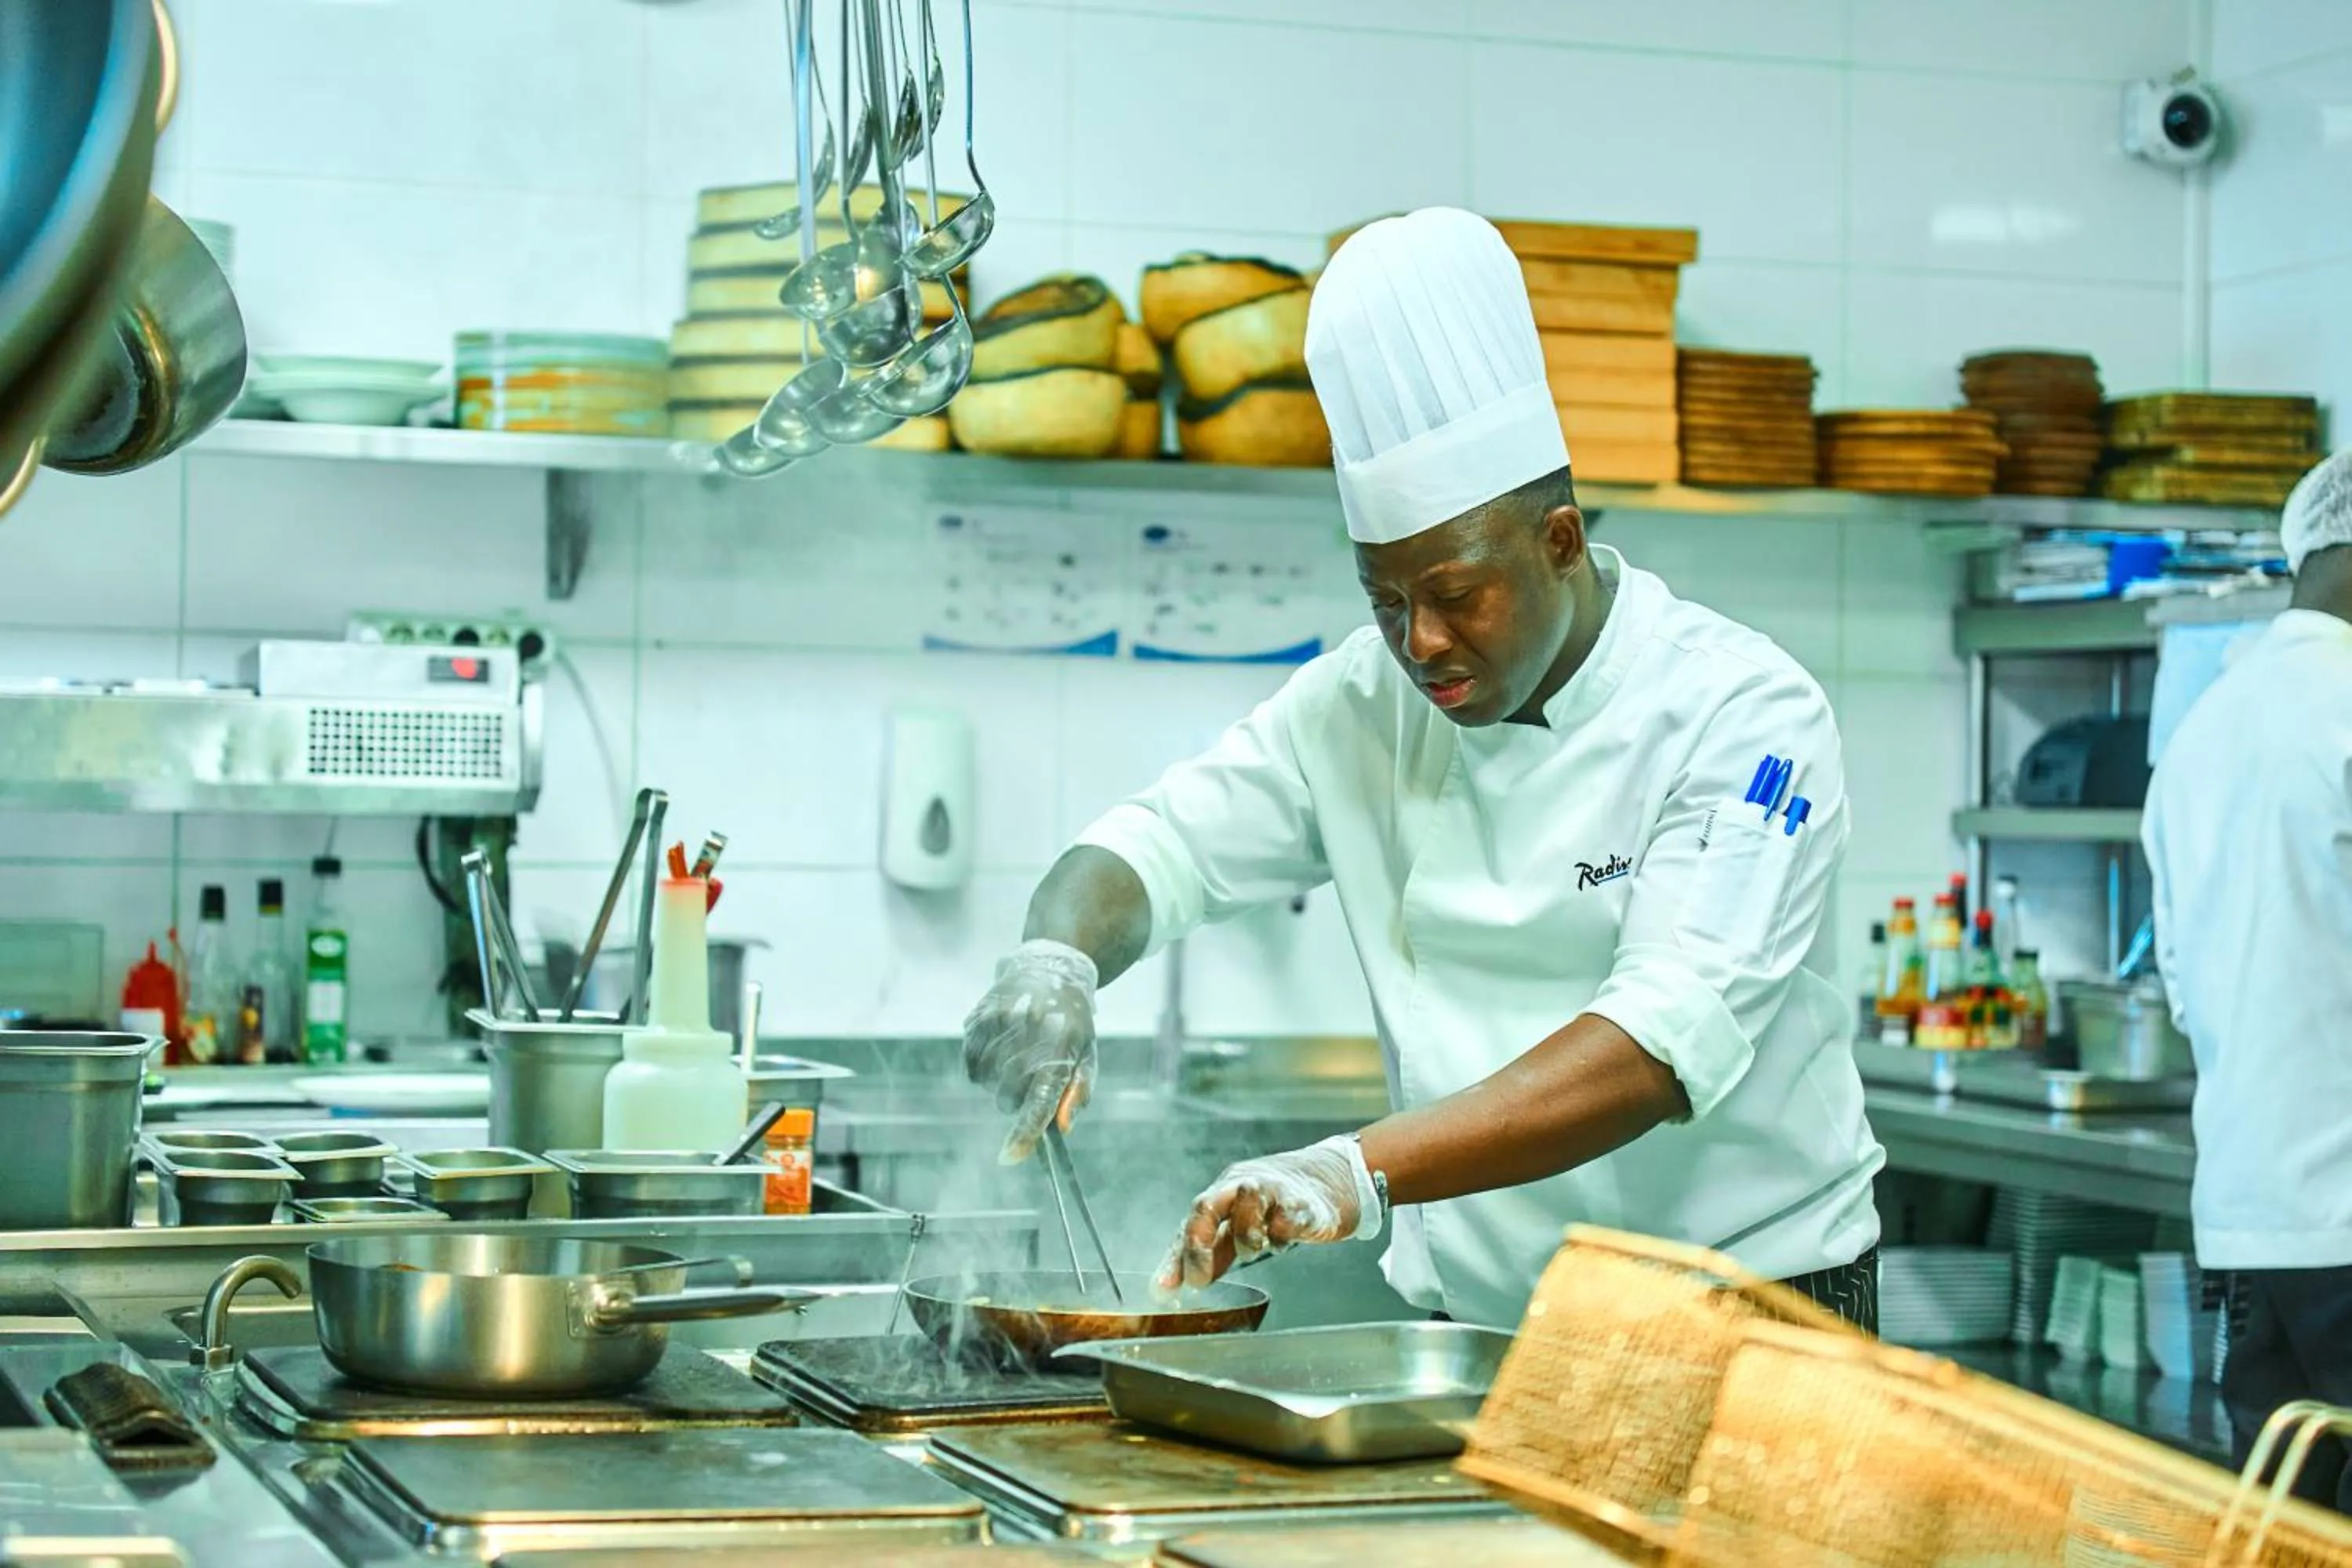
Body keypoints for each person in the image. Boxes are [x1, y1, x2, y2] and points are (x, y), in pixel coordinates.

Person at [961, 208, 1884, 1333]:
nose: (1421, 643)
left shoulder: (1744, 716)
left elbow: (1654, 1047)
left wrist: (1354, 1170)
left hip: (1745, 1313)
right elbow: (1151, 849)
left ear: (1560, 540)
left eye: (1454, 595)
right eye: (1385, 600)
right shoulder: (1358, 704)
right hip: (1487, 1325)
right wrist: (1054, 961)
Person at [2144, 448, 2352, 1512]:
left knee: (2285, 1524)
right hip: (2348, 1217)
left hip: (2248, 1216)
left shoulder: (2204, 726)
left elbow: (2179, 980)